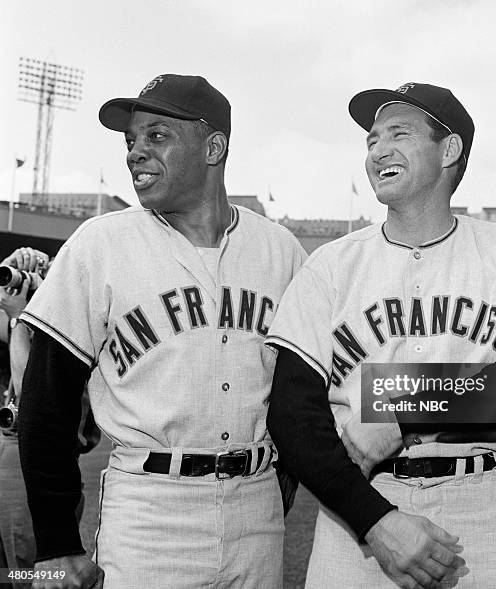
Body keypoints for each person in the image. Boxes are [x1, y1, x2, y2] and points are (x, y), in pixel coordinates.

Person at [266, 82, 496, 588]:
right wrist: (376, 522)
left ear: (449, 149)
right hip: (360, 513)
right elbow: (291, 413)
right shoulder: (329, 265)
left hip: (487, 506)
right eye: (371, 140)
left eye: (399, 133)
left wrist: (399, 417)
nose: (377, 150)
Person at [18, 74, 305, 589]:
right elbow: (46, 401)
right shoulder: (100, 243)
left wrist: (277, 480)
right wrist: (57, 544)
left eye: (156, 135)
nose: (135, 153)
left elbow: (303, 392)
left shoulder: (280, 250)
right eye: (131, 140)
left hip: (258, 511)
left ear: (213, 146)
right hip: (151, 511)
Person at [0, 248, 99, 589]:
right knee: (9, 574)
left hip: (35, 465)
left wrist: (19, 320)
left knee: (31, 576)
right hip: (12, 457)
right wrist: (9, 271)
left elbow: (30, 393)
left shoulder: (72, 325)